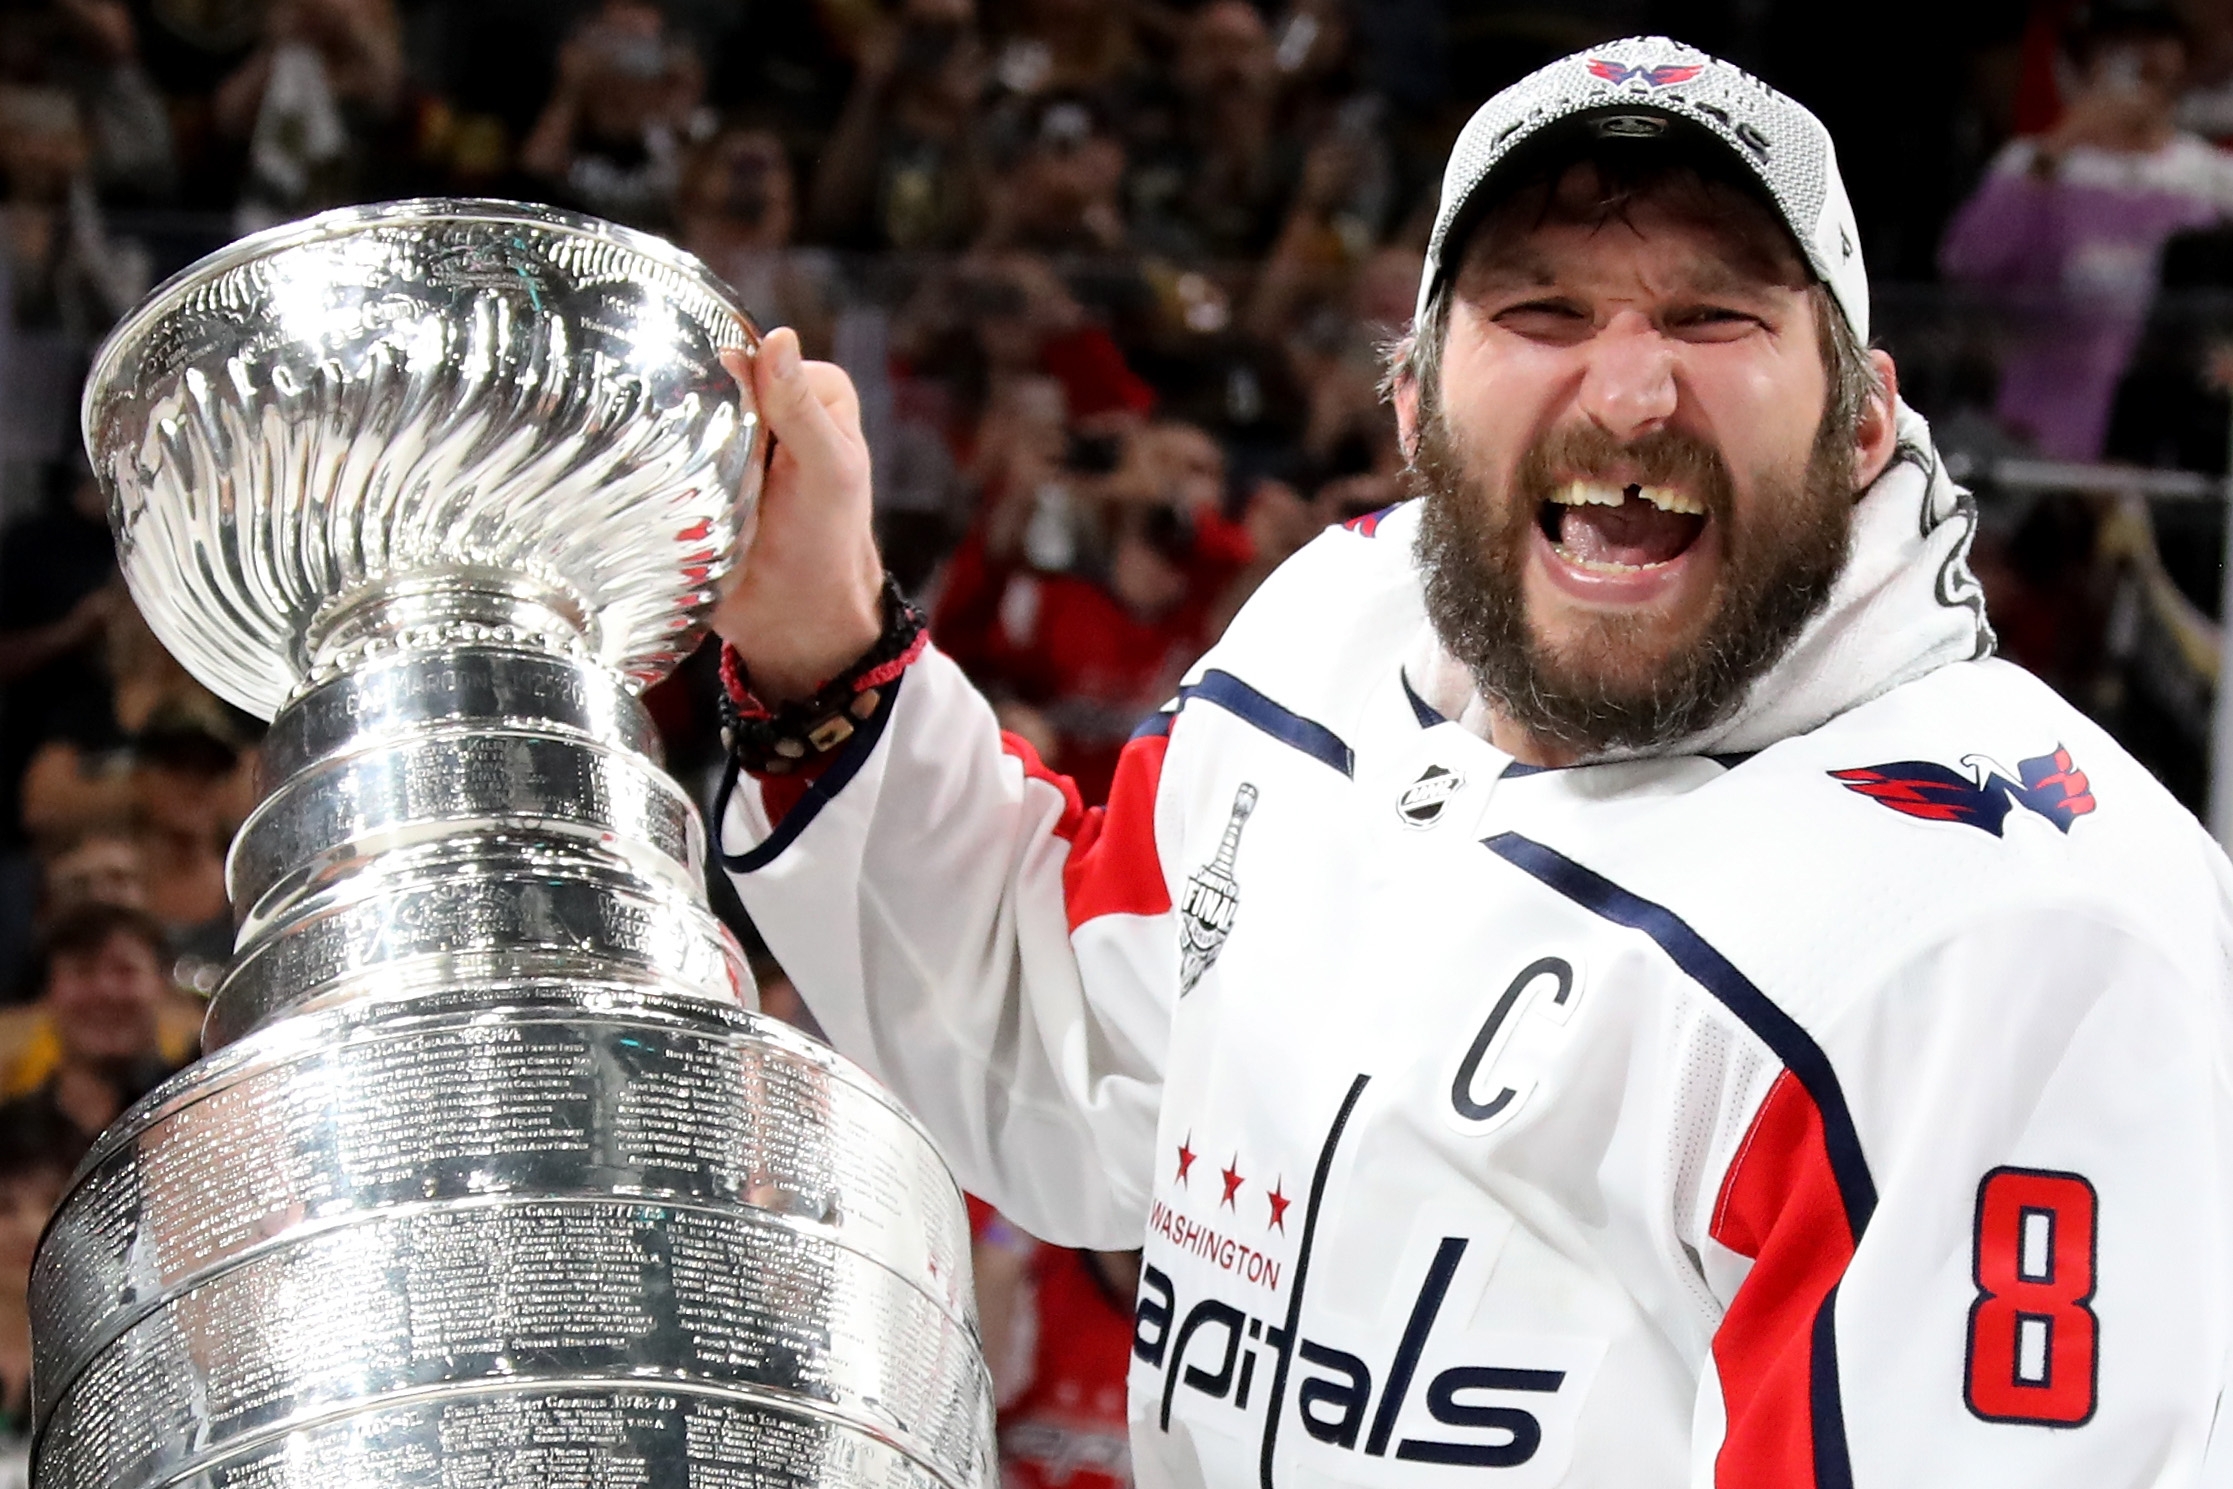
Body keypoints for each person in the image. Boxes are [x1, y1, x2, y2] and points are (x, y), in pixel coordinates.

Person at [712, 35, 2233, 1488]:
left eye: (1715, 316)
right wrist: (824, 652)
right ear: (1413, 407)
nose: (1631, 391)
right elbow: (1073, 1054)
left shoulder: (2016, 938)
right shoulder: (1341, 620)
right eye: (1542, 312)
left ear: (1860, 424)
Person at [1940, 0, 2233, 460]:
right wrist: (2064, 142)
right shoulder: (2032, 162)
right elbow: (1966, 266)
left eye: (2156, 39)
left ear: (2183, 59)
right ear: (2089, 56)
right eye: (2118, 40)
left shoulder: (2213, 178)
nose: (2139, 57)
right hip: (2033, 434)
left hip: (2164, 440)